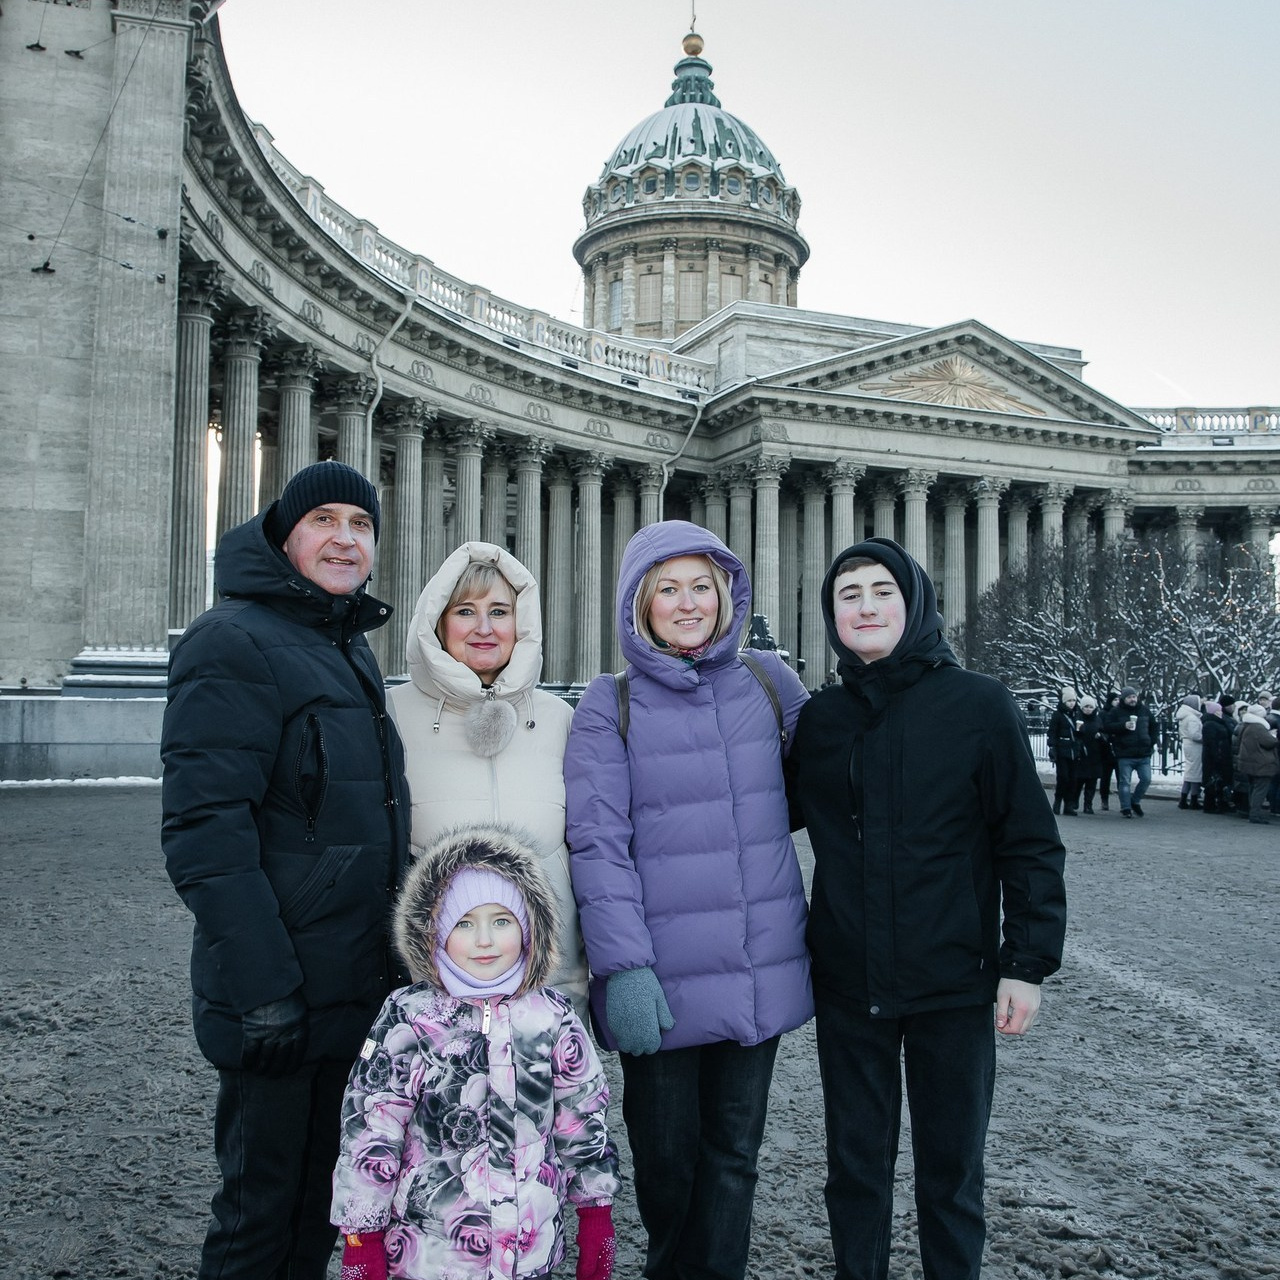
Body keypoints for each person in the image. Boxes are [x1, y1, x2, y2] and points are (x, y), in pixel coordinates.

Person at [785, 537, 1067, 1280]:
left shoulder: (978, 704)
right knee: (854, 1171)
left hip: (954, 979)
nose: (866, 606)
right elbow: (755, 818)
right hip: (848, 981)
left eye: (882, 591)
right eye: (849, 595)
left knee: (951, 1175)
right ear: (833, 616)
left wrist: (1027, 964)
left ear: (913, 604)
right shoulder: (822, 721)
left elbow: (1028, 842)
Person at [161, 460, 412, 1280]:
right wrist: (263, 990)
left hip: (346, 987)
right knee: (256, 1221)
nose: (345, 538)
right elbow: (206, 834)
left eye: (361, 525)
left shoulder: (342, 646)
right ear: (284, 533)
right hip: (278, 995)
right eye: (324, 520)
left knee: (317, 1211)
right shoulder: (231, 639)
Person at [563, 520, 813, 1280]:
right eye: (665, 588)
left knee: (735, 1161)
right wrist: (625, 968)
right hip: (659, 979)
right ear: (638, 605)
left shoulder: (773, 685)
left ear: (726, 593)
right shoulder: (610, 704)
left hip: (754, 971)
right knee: (667, 1168)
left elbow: (834, 792)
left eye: (700, 585)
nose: (686, 602)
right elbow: (596, 844)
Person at [330, 824, 619, 1280]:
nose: (484, 941)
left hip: (528, 1254)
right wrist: (361, 1236)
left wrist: (595, 1214)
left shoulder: (551, 1016)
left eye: (501, 921)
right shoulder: (410, 1018)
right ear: (434, 932)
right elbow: (372, 1127)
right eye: (464, 923)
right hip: (430, 1257)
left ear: (529, 928)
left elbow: (582, 1118)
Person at [388, 541, 587, 1016]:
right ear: (438, 621)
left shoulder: (559, 718)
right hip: (428, 997)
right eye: (465, 611)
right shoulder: (390, 714)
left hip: (546, 987)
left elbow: (587, 848)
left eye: (500, 610)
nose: (484, 627)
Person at [1103, 686, 1156, 818]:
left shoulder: (1144, 710)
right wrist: (1123, 726)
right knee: (1125, 782)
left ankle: (1135, 801)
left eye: (1133, 696)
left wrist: (1151, 741)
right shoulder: (1116, 712)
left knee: (1146, 779)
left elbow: (1154, 726)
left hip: (1143, 752)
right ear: (1123, 699)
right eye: (1129, 697)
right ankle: (1125, 807)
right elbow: (1107, 727)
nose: (1132, 699)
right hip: (1124, 753)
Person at [1234, 704, 1278, 825]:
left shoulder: (1245, 725)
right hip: (1261, 764)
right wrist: (1273, 735)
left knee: (1253, 788)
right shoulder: (1258, 727)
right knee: (1260, 789)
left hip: (1249, 762)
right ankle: (1255, 814)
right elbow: (1270, 742)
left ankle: (1252, 812)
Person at [1069, 694, 1108, 814]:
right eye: (1086, 706)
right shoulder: (1077, 719)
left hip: (1095, 754)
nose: (1088, 709)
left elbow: (1104, 735)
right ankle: (1074, 801)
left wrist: (1100, 736)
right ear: (1081, 707)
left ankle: (1088, 805)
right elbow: (1073, 735)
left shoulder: (1098, 720)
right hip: (1081, 754)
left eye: (1091, 707)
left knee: (1092, 782)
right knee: (1078, 781)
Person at [1048, 687, 1081, 816]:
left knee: (1073, 779)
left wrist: (1080, 731)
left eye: (1073, 700)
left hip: (1074, 750)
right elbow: (1052, 733)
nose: (1071, 703)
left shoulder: (1077, 715)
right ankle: (1057, 802)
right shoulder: (1058, 715)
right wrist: (1052, 747)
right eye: (1069, 701)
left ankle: (1069, 805)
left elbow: (1081, 734)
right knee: (1063, 778)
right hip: (1062, 750)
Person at [1200, 700, 1235, 815]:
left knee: (1219, 780)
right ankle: (1210, 805)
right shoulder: (1210, 724)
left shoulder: (1218, 722)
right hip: (1215, 757)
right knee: (1213, 780)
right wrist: (1217, 756)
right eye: (1218, 711)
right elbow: (1212, 743)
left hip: (1220, 755)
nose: (1221, 712)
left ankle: (1219, 803)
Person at [1175, 694, 1204, 809]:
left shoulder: (1185, 716)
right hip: (1194, 746)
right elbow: (1195, 735)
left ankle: (1184, 798)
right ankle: (1194, 799)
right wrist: (1204, 738)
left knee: (1190, 772)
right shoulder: (1192, 718)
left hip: (1187, 744)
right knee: (1195, 772)